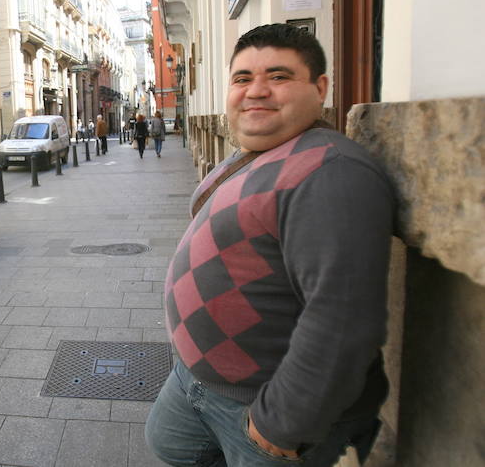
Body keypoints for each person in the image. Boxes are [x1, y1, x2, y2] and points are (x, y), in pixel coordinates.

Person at [145, 23, 395, 467]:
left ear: (320, 88)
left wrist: (283, 421)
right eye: (243, 78)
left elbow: (342, 318)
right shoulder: (265, 150)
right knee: (170, 445)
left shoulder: (331, 172)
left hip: (261, 405)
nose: (256, 91)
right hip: (197, 380)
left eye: (278, 77)